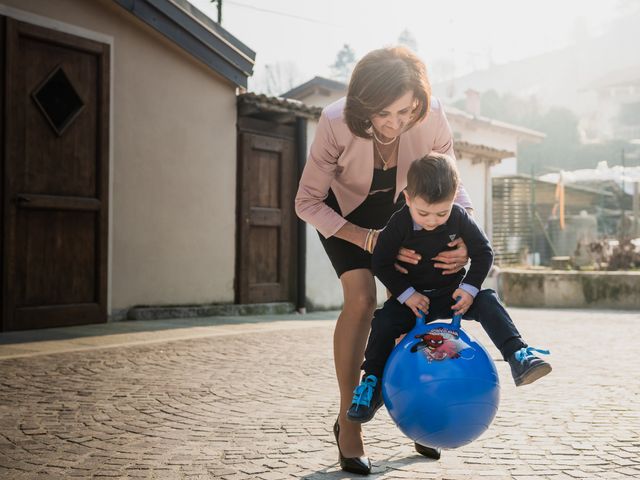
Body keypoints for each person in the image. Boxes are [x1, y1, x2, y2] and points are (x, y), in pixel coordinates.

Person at [295, 46, 473, 475]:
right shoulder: (335, 121)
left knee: (413, 306)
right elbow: (306, 201)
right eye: (383, 114)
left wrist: (466, 237)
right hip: (344, 219)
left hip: (399, 218)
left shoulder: (430, 117)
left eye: (405, 112)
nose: (395, 124)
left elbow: (452, 186)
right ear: (363, 106)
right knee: (360, 301)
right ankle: (349, 422)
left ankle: (418, 411)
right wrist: (364, 238)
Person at [346, 153, 552, 430]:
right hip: (413, 301)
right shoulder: (399, 223)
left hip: (452, 296)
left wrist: (468, 289)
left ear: (454, 199)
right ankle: (371, 384)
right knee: (383, 321)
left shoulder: (459, 217)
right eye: (424, 213)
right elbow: (380, 263)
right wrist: (407, 295)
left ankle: (517, 355)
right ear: (407, 199)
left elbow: (483, 253)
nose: (432, 220)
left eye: (441, 213)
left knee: (488, 300)